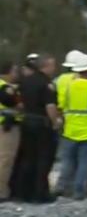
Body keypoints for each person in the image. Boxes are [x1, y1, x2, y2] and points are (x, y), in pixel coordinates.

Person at [13, 54, 60, 203]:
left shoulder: (25, 81)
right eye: (52, 65)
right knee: (43, 159)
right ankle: (40, 193)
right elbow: (50, 106)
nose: (54, 68)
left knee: (28, 158)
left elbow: (19, 103)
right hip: (42, 123)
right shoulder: (46, 83)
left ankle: (23, 192)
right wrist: (55, 122)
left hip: (27, 121)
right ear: (45, 66)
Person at [56, 55, 87, 200]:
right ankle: (78, 191)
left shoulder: (68, 87)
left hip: (70, 129)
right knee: (84, 163)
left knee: (68, 161)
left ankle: (61, 186)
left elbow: (61, 106)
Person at [0, 61, 23, 202]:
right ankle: (2, 191)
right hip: (6, 127)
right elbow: (17, 104)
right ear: (8, 72)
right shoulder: (4, 88)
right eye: (14, 71)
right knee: (5, 159)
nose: (16, 74)